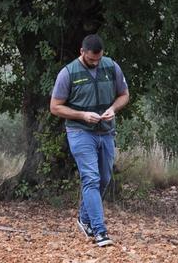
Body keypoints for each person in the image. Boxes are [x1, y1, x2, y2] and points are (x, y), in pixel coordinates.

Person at [49, 34, 129, 247]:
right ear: (82, 52)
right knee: (91, 178)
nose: (95, 63)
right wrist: (82, 115)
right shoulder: (68, 73)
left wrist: (113, 109)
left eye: (98, 59)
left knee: (104, 179)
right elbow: (55, 106)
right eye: (92, 60)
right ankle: (99, 231)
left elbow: (124, 95)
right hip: (80, 132)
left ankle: (84, 218)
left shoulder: (111, 67)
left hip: (106, 131)